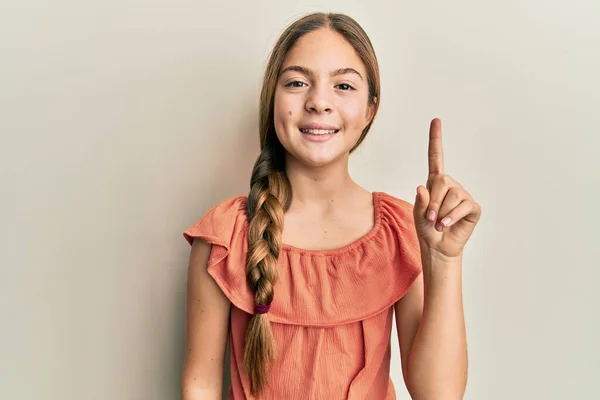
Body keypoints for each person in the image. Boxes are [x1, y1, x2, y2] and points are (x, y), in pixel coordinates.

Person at [180, 12, 482, 400]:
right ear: (272, 101)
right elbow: (199, 385)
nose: (319, 102)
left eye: (343, 85)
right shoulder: (224, 236)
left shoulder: (400, 229)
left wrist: (443, 261)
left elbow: (438, 394)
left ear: (371, 109)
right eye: (297, 82)